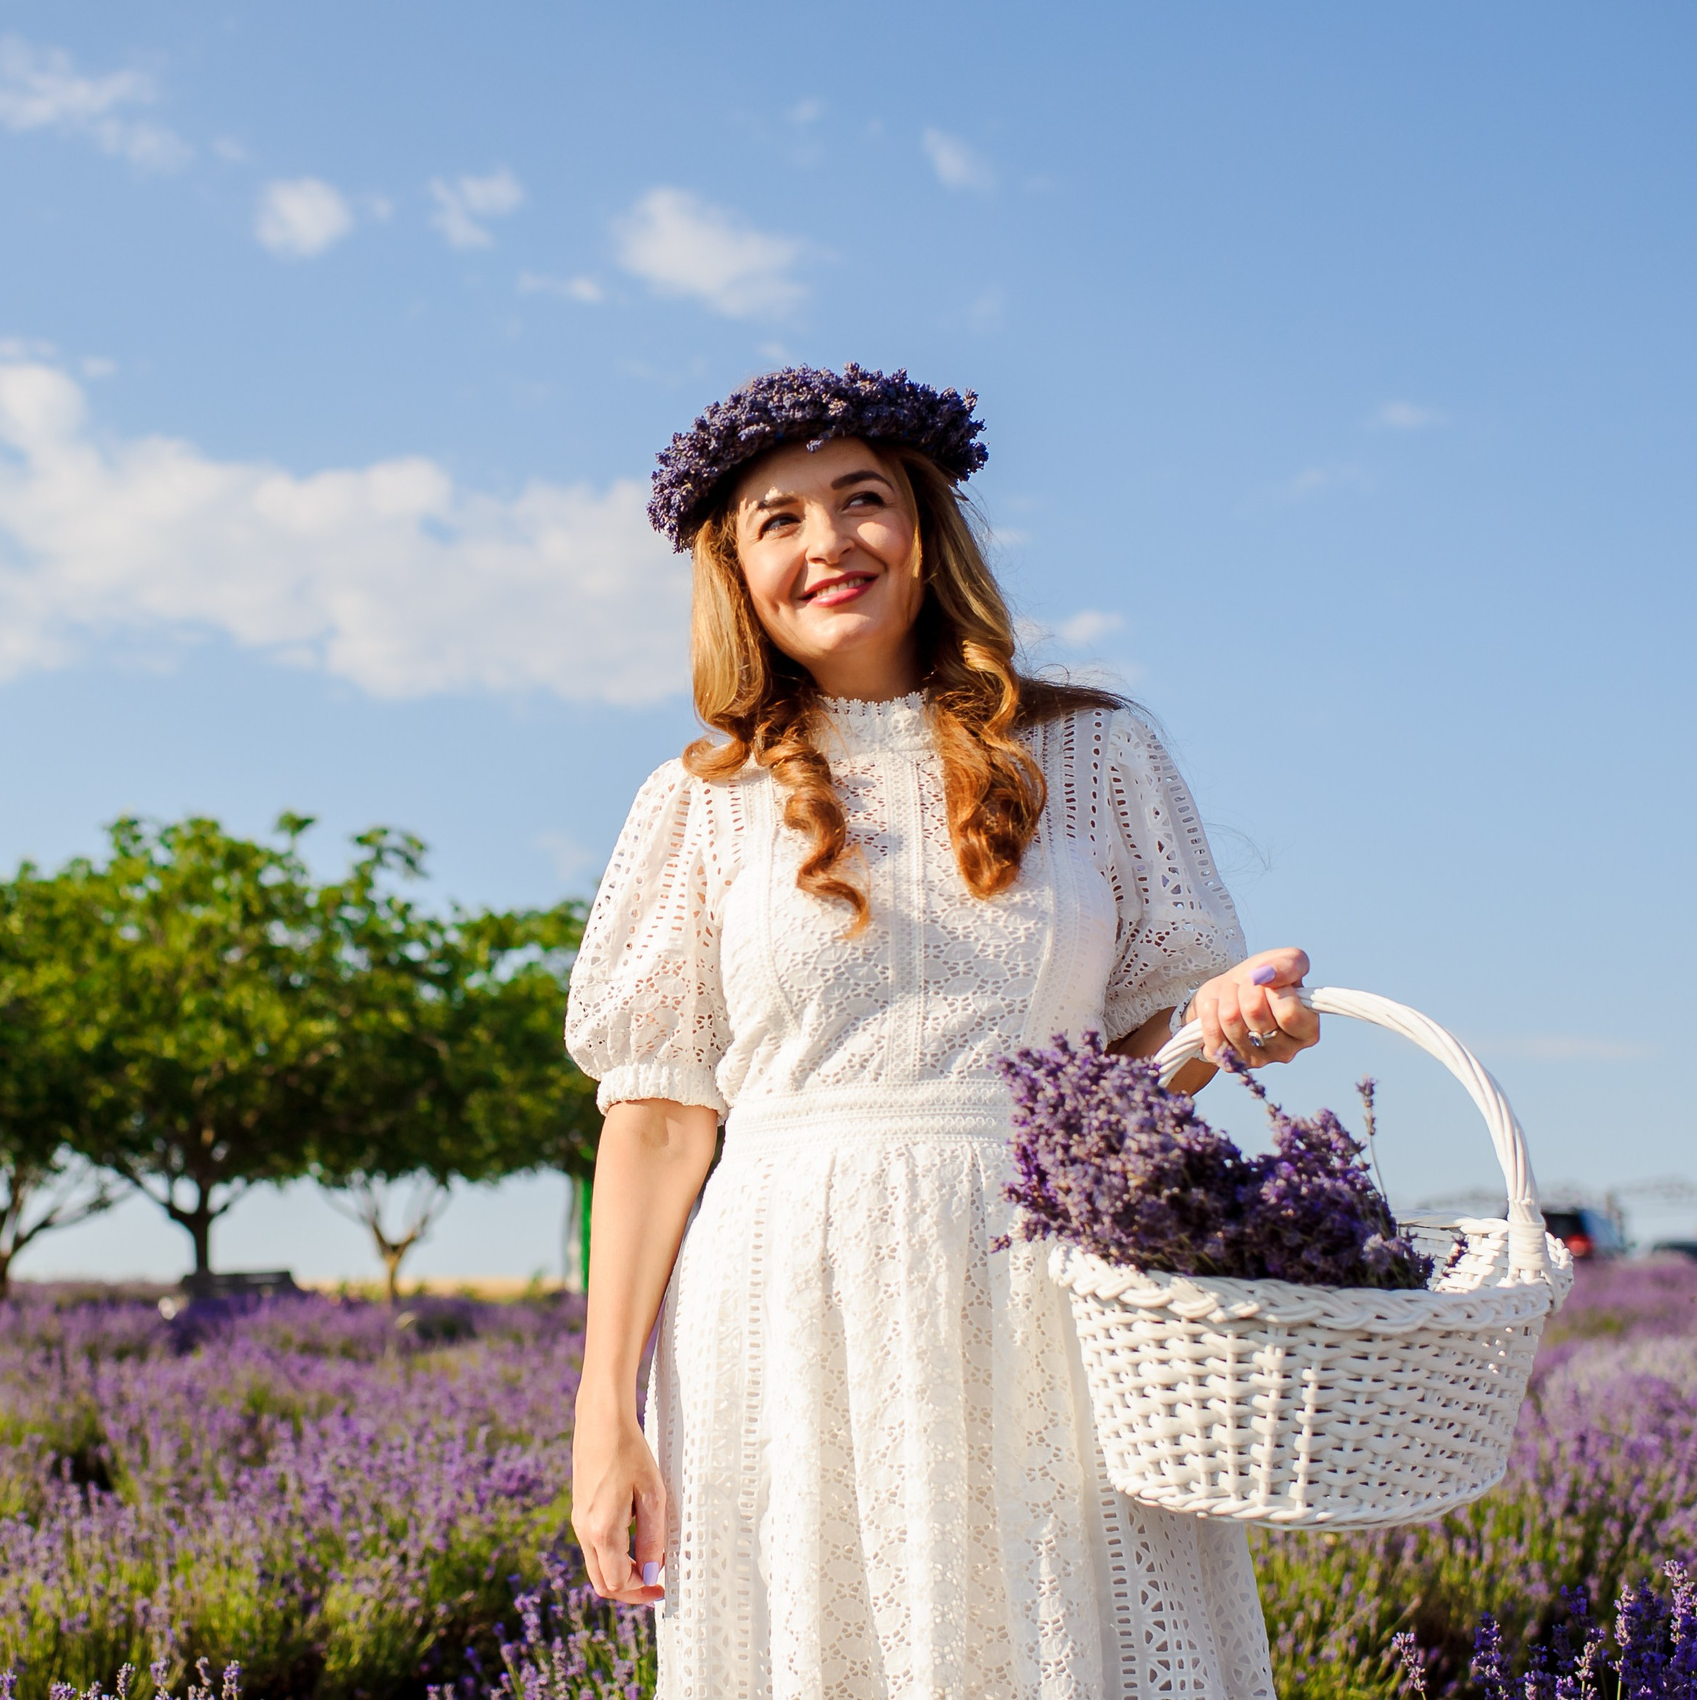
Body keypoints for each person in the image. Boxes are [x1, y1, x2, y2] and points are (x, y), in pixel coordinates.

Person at [564, 367, 1320, 1699]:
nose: (827, 544)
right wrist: (603, 1415)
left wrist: (1218, 1025)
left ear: (924, 525)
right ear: (735, 573)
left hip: (1050, 1283)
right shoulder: (698, 804)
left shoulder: (1094, 754)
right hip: (780, 1302)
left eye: (862, 500)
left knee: (1069, 1640)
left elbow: (1139, 1071)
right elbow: (659, 1117)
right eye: (777, 522)